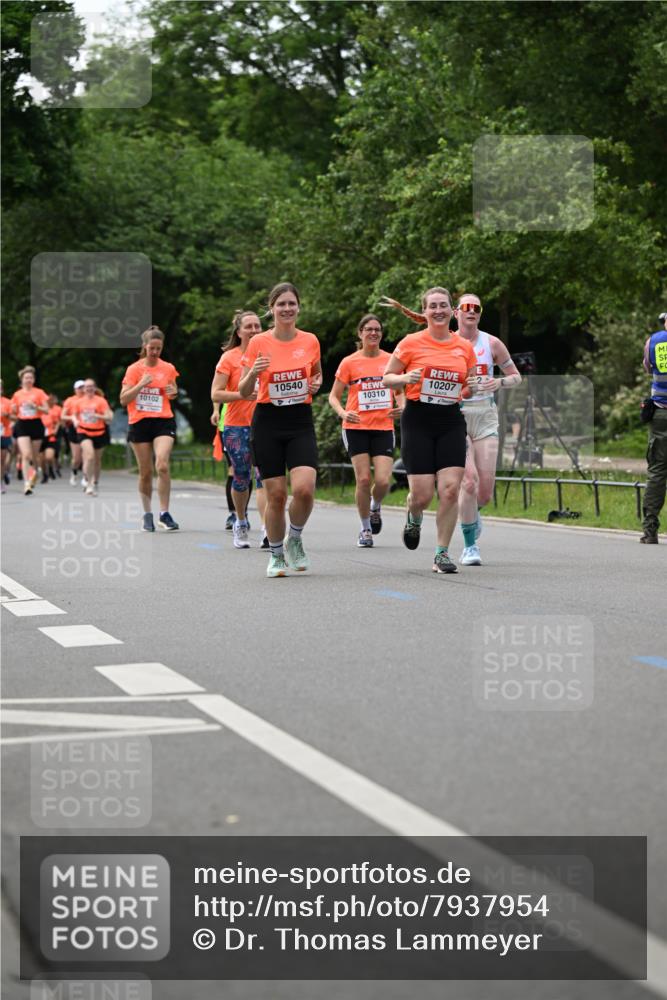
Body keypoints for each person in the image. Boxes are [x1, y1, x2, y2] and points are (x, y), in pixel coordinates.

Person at [382, 287, 477, 574]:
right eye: (432, 306)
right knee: (422, 496)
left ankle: (442, 554)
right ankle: (414, 515)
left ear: (453, 311)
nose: (438, 310)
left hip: (450, 419)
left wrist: (471, 388)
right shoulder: (410, 343)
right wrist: (405, 377)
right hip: (418, 419)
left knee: (449, 490)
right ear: (424, 312)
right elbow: (387, 378)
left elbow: (469, 384)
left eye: (444, 305)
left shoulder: (464, 346)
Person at [239, 282, 322, 577]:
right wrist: (253, 372)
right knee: (275, 495)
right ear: (271, 309)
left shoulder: (310, 340)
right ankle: (276, 554)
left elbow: (316, 375)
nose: (287, 309)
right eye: (281, 304)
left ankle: (295, 538)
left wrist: (316, 383)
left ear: (298, 307)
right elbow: (243, 389)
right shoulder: (259, 342)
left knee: (305, 489)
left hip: (300, 421)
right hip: (268, 422)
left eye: (291, 303)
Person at [454, 293, 521, 565]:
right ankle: (470, 546)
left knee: (485, 492)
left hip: (485, 416)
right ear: (456, 312)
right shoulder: (447, 343)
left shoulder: (491, 343)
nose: (471, 312)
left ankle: (471, 513)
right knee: (468, 481)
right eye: (466, 307)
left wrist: (499, 384)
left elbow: (515, 376)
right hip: (455, 416)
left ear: (480, 313)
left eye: (476, 308)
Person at [328, 314, 404, 547]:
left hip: (383, 426)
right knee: (363, 480)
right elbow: (333, 396)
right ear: (360, 334)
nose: (373, 333)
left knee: (382, 480)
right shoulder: (349, 362)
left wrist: (402, 407)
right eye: (368, 329)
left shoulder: (392, 360)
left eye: (377, 329)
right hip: (355, 427)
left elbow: (401, 392)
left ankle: (375, 506)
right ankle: (365, 529)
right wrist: (343, 413)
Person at [211, 311, 267, 548]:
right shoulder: (229, 358)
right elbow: (216, 393)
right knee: (242, 476)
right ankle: (241, 520)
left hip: (266, 422)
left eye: (257, 326)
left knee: (265, 477)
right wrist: (242, 394)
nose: (254, 330)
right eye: (249, 326)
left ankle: (267, 528)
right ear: (238, 332)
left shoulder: (270, 353)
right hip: (236, 426)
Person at [119, 325, 180, 531]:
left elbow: (172, 391)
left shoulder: (168, 368)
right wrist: (141, 384)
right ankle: (147, 514)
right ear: (144, 347)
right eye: (152, 348)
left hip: (163, 420)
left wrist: (173, 392)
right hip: (140, 422)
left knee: (161, 465)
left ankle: (164, 513)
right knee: (145, 472)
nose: (155, 352)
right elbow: (123, 399)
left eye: (159, 348)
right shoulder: (134, 369)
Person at [640, 311, 667, 543]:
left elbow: (648, 369)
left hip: (661, 414)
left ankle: (650, 530)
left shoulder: (654, 342)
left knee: (657, 471)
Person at [9, 366, 49, 495]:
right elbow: (14, 412)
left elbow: (47, 410)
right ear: (22, 379)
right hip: (22, 424)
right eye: (26, 378)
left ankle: (34, 472)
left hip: (36, 424)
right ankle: (27, 483)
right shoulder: (17, 394)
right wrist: (14, 409)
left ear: (34, 379)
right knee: (26, 455)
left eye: (31, 377)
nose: (29, 380)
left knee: (34, 456)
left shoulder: (39, 392)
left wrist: (35, 406)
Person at [71, 379, 113, 496]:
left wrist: (97, 415)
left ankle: (95, 482)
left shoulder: (101, 401)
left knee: (97, 460)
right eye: (87, 387)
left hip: (99, 432)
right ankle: (88, 483)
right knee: (89, 456)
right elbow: (74, 415)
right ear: (84, 389)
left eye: (91, 386)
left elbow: (108, 417)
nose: (89, 388)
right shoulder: (79, 402)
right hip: (83, 431)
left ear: (95, 388)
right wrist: (75, 421)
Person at [62, 380, 86, 486]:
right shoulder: (70, 400)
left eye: (83, 387)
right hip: (74, 428)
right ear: (75, 389)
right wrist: (72, 417)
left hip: (88, 427)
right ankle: (74, 473)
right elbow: (62, 416)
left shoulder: (90, 399)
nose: (82, 390)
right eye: (79, 388)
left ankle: (86, 477)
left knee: (87, 454)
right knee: (77, 457)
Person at [40, 393, 63, 483]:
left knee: (49, 457)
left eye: (52, 400)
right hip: (41, 435)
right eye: (48, 400)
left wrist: (56, 429)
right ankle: (44, 474)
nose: (50, 401)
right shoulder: (40, 409)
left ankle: (50, 468)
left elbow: (59, 421)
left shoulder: (57, 409)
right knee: (41, 458)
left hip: (51, 435)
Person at [1, 381, 13, 494]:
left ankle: (1, 481)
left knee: (2, 460)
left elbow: (15, 417)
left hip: (4, 433)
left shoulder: (7, 402)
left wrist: (7, 415)